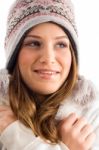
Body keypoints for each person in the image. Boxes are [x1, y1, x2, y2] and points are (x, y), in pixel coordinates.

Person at [0, 0, 99, 149]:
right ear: (15, 54)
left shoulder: (93, 115)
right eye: (34, 43)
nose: (48, 58)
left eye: (61, 44)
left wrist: (16, 134)